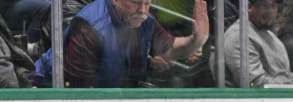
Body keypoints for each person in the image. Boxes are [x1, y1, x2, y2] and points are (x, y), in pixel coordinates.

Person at [31, 0, 209, 88]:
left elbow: (170, 49)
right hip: (52, 95)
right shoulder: (89, 29)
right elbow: (78, 96)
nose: (142, 10)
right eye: (135, 2)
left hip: (111, 98)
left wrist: (197, 39)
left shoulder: (144, 20)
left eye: (147, 3)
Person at [214, 0, 293, 87]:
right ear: (249, 7)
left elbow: (287, 74)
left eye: (273, 5)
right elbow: (254, 83)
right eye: (264, 6)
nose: (270, 11)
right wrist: (291, 84)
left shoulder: (271, 36)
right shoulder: (239, 36)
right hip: (250, 101)